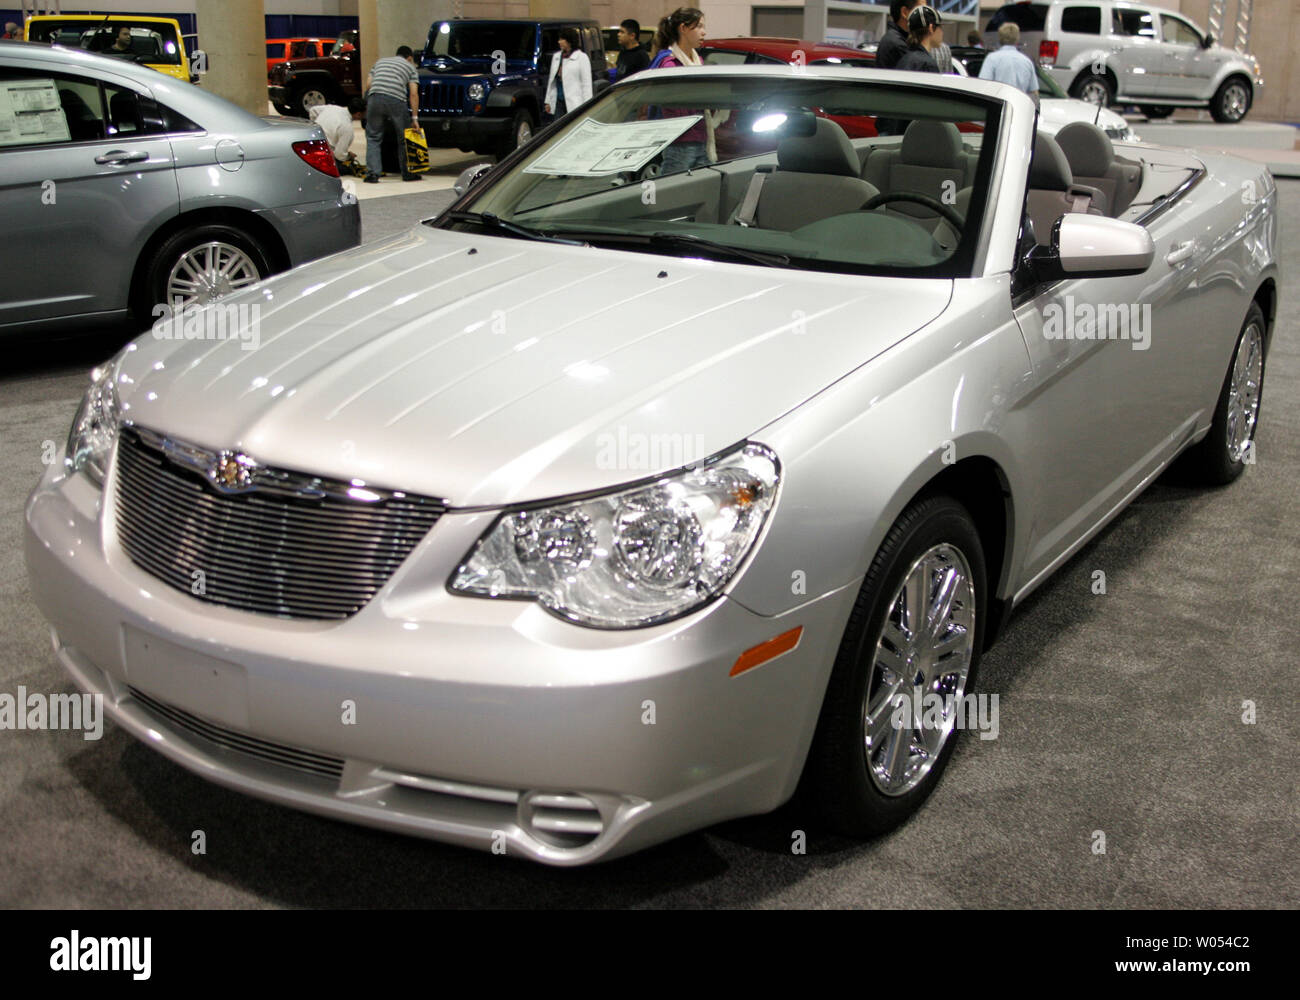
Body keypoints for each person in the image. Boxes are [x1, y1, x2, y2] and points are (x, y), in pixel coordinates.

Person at [650, 8, 728, 174]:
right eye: (699, 26)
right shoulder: (670, 64)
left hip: (701, 137)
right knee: (672, 192)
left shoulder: (696, 59)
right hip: (680, 141)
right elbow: (674, 105)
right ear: (683, 29)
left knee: (702, 190)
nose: (704, 32)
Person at [364, 45, 422, 183]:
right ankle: (407, 173)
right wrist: (415, 118)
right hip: (396, 100)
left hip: (375, 97)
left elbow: (368, 85)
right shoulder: (410, 67)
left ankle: (372, 174)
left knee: (373, 136)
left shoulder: (380, 62)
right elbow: (413, 94)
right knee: (404, 138)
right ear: (409, 58)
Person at [978, 22, 1039, 107]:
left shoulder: (992, 59)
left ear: (1000, 37)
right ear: (1017, 38)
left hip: (998, 109)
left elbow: (983, 86)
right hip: (1020, 110)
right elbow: (1034, 94)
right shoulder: (1027, 62)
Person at [543, 27, 593, 121]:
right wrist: (548, 101)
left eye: (562, 39)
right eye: (559, 39)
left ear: (570, 41)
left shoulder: (581, 57)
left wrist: (587, 105)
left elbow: (586, 85)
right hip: (559, 101)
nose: (559, 42)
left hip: (575, 102)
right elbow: (551, 81)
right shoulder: (557, 57)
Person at [876, 0, 925, 70]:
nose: (926, 16)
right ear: (905, 12)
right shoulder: (897, 44)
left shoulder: (902, 39)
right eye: (921, 10)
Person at [309, 103, 359, 172]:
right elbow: (340, 155)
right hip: (322, 154)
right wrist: (349, 156)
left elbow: (312, 110)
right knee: (346, 166)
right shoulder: (347, 127)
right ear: (358, 114)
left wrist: (314, 126)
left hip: (309, 141)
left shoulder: (332, 108)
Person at [897, 5, 943, 73]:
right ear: (931, 28)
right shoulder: (928, 64)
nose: (942, 32)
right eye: (940, 27)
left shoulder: (903, 59)